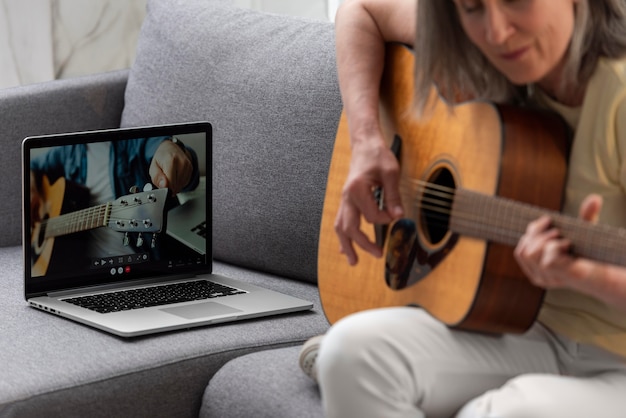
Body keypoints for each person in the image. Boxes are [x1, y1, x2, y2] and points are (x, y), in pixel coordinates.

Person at [299, 0, 626, 417]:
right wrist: (367, 141)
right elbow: (360, 9)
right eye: (472, 8)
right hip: (526, 325)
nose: (496, 32)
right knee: (351, 354)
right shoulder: (480, 43)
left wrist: (588, 276)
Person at [29, 136, 199, 266]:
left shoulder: (135, 140)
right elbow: (30, 166)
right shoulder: (69, 151)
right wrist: (32, 191)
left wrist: (172, 149)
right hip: (85, 270)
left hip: (144, 265)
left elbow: (165, 151)